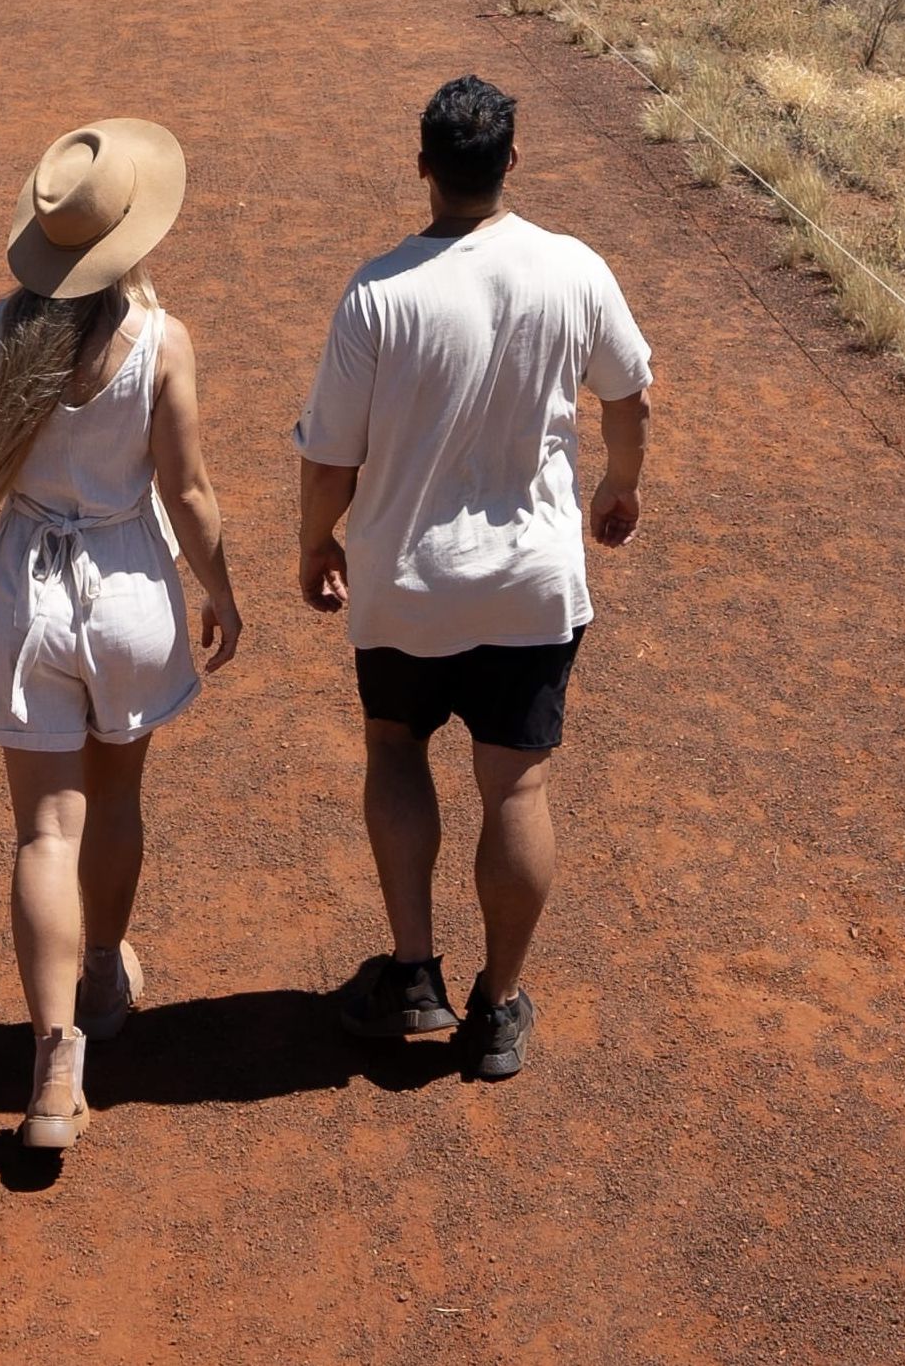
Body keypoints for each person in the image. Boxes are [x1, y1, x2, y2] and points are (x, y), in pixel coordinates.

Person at [296, 72, 652, 1083]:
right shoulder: (571, 268)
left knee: (395, 750)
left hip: (402, 584)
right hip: (530, 587)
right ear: (509, 165)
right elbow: (630, 392)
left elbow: (328, 457)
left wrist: (315, 542)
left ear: (423, 168)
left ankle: (413, 973)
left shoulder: (377, 292)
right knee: (516, 783)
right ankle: (496, 1005)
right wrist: (619, 487)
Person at [0, 116, 244, 1153]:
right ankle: (103, 973)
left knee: (43, 831)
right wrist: (221, 590)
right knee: (118, 799)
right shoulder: (160, 341)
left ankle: (56, 1062)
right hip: (131, 588)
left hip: (27, 594)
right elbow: (186, 492)